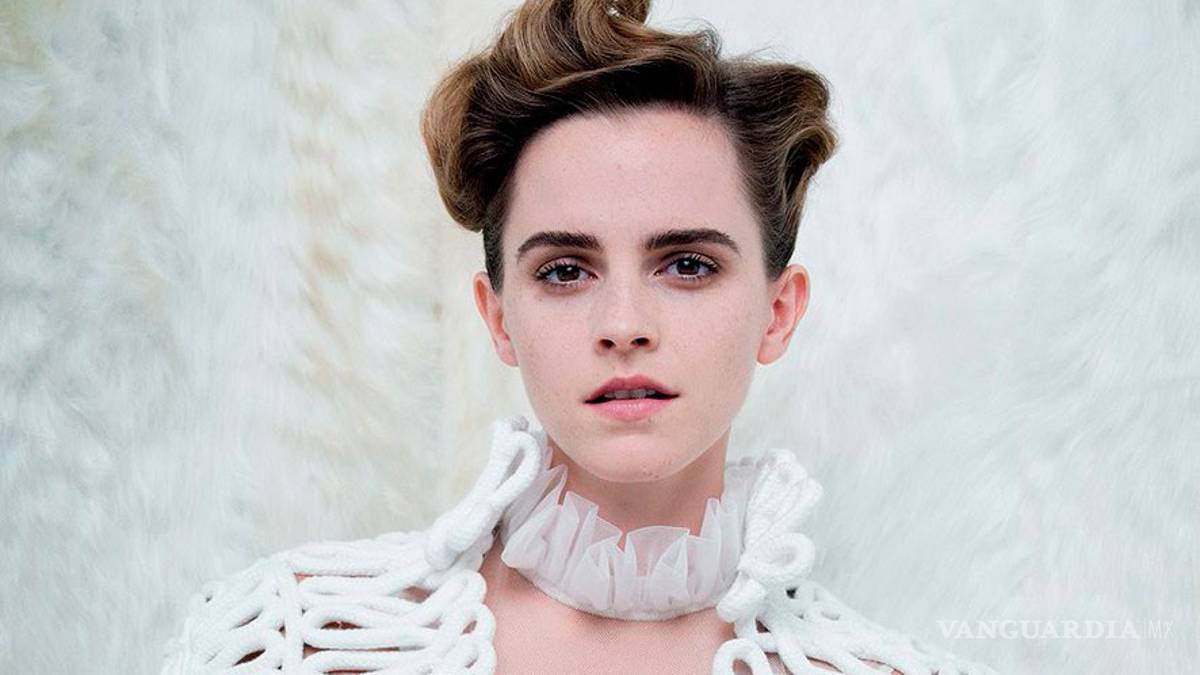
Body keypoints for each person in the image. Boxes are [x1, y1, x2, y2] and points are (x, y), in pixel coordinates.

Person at [160, 1, 998, 673]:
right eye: (565, 271)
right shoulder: (296, 640)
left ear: (778, 312)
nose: (624, 326)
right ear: (499, 317)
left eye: (688, 265)